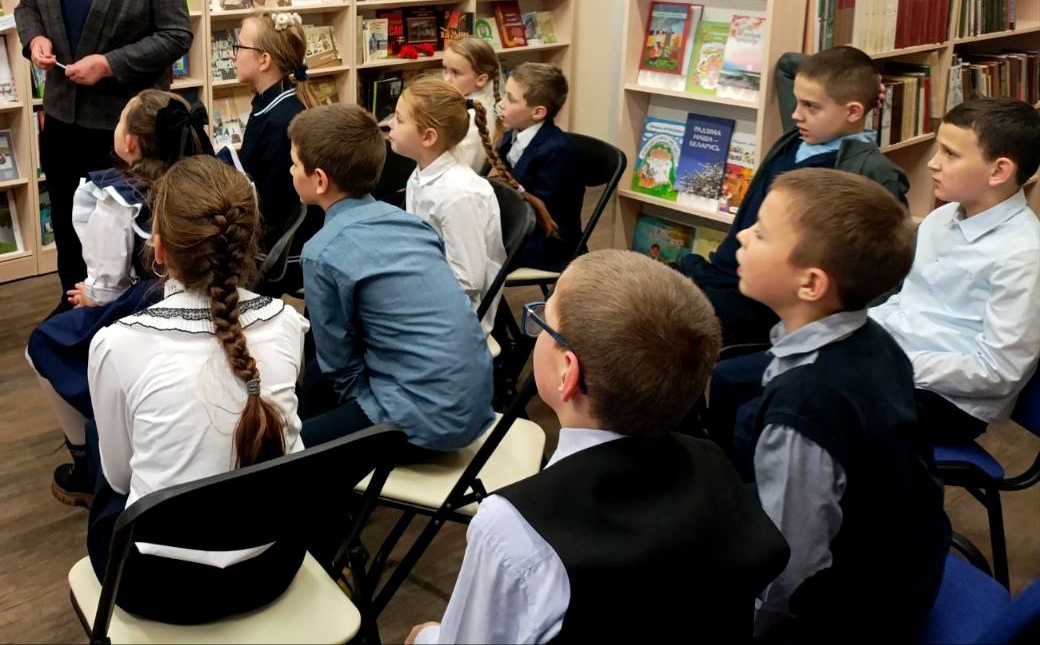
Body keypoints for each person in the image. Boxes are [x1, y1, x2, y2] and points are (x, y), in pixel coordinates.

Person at [406, 251, 789, 644]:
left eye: (543, 321)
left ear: (568, 372)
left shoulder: (513, 527)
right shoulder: (713, 462)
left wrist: (426, 637)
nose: (536, 330)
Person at [722, 169, 948, 640]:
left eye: (760, 233)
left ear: (811, 284)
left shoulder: (803, 413)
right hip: (908, 560)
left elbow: (790, 564)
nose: (741, 235)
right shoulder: (874, 338)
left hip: (851, 608)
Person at [85, 156, 308, 624]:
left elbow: (121, 479)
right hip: (274, 563)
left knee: (98, 441)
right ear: (248, 245)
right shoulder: (289, 323)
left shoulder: (117, 344)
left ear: (159, 249)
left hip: (158, 587)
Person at [15, 0, 192, 309]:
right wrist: (35, 39)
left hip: (121, 122)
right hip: (61, 113)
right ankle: (74, 303)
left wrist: (109, 64)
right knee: (67, 218)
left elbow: (176, 34)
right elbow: (28, 7)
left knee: (119, 226)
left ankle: (120, 310)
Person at [26, 90, 211, 507]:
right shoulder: (215, 178)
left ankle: (83, 461)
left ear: (129, 142)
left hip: (146, 308)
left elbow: (108, 286)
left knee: (42, 345)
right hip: (214, 298)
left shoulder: (117, 198)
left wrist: (92, 296)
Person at [289, 104, 494, 451]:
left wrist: (365, 407)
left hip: (426, 422)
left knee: (289, 450)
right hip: (473, 400)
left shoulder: (320, 252)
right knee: (313, 379)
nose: (290, 170)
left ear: (320, 180)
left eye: (295, 163)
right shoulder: (412, 224)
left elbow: (339, 364)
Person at [679, 46, 909, 345]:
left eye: (810, 106)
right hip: (726, 271)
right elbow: (787, 64)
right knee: (644, 287)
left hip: (767, 300)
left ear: (853, 111)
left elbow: (887, 259)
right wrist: (870, 83)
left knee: (661, 319)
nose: (796, 114)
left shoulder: (870, 171)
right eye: (798, 101)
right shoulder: (801, 135)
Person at [870, 97, 1040, 443]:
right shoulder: (941, 218)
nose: (933, 163)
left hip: (950, 401)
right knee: (779, 369)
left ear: (999, 171)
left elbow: (999, 371)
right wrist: (857, 329)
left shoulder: (1024, 255)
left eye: (950, 153)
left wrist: (897, 360)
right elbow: (908, 303)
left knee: (812, 403)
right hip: (900, 363)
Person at [387, 78, 507, 334]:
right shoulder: (421, 173)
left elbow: (468, 280)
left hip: (454, 315)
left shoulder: (458, 195)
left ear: (428, 137)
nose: (389, 125)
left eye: (399, 120)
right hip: (427, 283)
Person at [228, 10, 325, 252]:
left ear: (264, 60)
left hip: (276, 248)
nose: (232, 55)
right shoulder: (269, 105)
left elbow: (273, 208)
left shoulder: (283, 120)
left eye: (239, 47)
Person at [496, 62, 583, 271]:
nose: (501, 104)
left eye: (511, 99)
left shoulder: (557, 152)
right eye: (504, 95)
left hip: (547, 241)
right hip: (519, 226)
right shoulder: (510, 137)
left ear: (537, 112)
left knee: (474, 250)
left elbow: (545, 211)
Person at [442, 36, 501, 172]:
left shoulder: (473, 116)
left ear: (481, 79)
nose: (446, 79)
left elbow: (459, 170)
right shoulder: (465, 103)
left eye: (455, 73)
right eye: (445, 70)